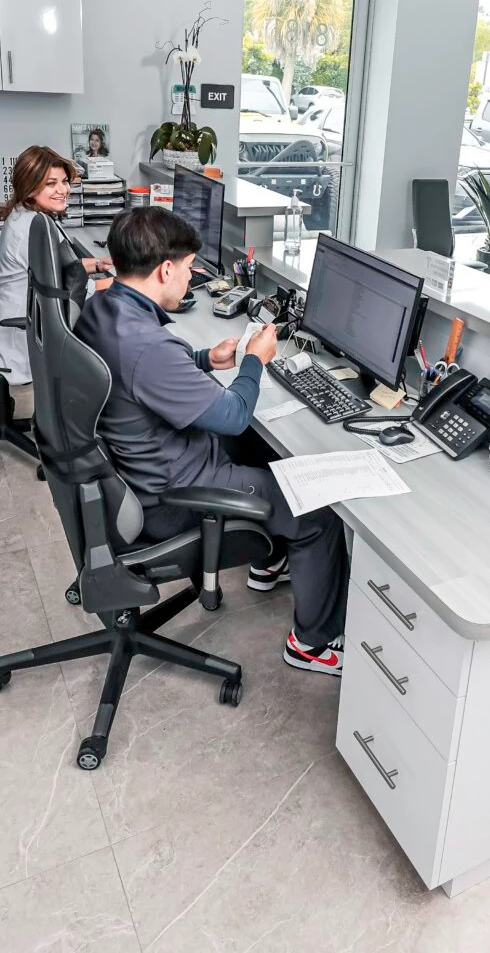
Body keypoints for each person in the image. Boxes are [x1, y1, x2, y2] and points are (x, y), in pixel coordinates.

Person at [76, 206, 348, 674]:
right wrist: (254, 361)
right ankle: (312, 645)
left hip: (141, 467)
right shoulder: (148, 346)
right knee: (319, 512)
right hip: (172, 496)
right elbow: (234, 416)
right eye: (187, 268)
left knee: (264, 454)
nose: (190, 276)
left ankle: (267, 566)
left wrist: (203, 359)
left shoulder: (104, 305)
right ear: (165, 269)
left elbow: (136, 379)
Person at [0, 146, 111, 412]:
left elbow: (60, 266)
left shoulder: (30, 216)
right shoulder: (31, 230)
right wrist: (122, 282)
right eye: (51, 184)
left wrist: (100, 263)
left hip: (26, 312)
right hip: (25, 328)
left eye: (65, 181)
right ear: (30, 186)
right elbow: (69, 288)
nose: (63, 190)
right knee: (111, 328)